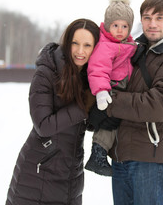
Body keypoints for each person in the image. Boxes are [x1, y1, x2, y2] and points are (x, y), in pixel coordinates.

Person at [95, 0, 163, 204]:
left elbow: (157, 106)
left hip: (150, 157)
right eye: (147, 17)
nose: (152, 24)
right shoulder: (133, 50)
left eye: (159, 18)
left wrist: (107, 101)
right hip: (120, 156)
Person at [6, 18, 100, 205]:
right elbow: (43, 125)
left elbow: (84, 124)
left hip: (71, 172)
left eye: (87, 45)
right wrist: (83, 106)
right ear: (67, 43)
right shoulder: (47, 71)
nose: (80, 51)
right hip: (40, 168)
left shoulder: (89, 77)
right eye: (75, 43)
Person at [85, 0, 136, 176]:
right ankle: (97, 154)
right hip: (109, 89)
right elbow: (97, 69)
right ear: (107, 25)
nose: (120, 30)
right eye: (115, 25)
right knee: (107, 124)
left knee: (113, 124)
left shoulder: (128, 45)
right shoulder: (105, 46)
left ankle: (103, 153)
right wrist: (101, 91)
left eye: (124, 26)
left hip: (122, 89)